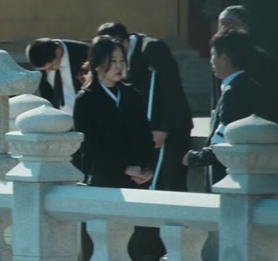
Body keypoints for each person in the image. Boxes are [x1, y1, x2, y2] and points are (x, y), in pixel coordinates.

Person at [73, 35, 159, 261]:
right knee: (103, 253)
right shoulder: (86, 99)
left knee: (134, 252)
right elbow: (89, 147)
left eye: (122, 60)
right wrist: (124, 167)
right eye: (112, 61)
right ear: (97, 63)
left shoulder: (132, 95)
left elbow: (145, 136)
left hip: (136, 181)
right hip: (104, 179)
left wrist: (148, 168)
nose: (119, 66)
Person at [96, 22, 193, 193]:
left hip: (171, 126)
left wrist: (163, 129)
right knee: (148, 181)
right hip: (147, 130)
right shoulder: (120, 59)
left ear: (124, 42)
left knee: (170, 182)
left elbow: (172, 91)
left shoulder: (151, 49)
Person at [183, 29, 270, 190]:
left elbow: (223, 140)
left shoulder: (233, 92)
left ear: (224, 58)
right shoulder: (251, 86)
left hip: (230, 180)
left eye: (213, 55)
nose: (211, 61)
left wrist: (196, 158)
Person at [25, 38, 89, 115]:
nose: (49, 70)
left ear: (58, 52)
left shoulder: (85, 53)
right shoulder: (41, 58)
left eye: (51, 67)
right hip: (59, 117)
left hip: (84, 114)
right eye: (44, 69)